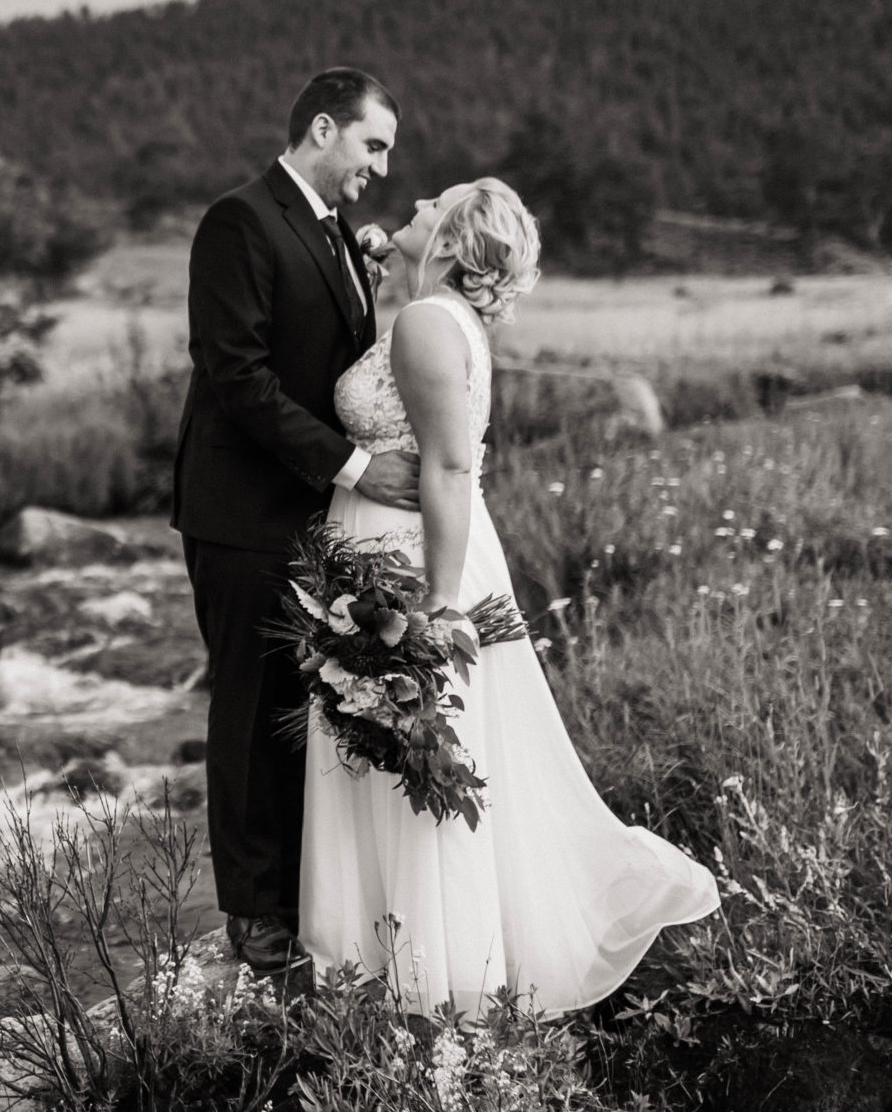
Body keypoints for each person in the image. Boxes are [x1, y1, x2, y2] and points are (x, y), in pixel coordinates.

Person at [300, 179, 719, 1013]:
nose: (412, 204)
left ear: (452, 245)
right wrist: (383, 255)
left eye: (429, 207)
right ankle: (415, 969)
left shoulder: (427, 322)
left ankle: (430, 983)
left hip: (413, 567)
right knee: (413, 765)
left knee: (414, 767)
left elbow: (450, 467)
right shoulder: (441, 314)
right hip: (406, 553)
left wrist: (439, 605)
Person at [172, 67, 420, 975]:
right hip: (240, 510)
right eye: (373, 144)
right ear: (324, 128)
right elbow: (236, 376)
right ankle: (253, 915)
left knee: (299, 708)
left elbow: (336, 370)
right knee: (248, 708)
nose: (382, 167)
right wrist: (357, 467)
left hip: (312, 515)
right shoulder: (238, 219)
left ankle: (300, 893)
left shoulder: (334, 235)